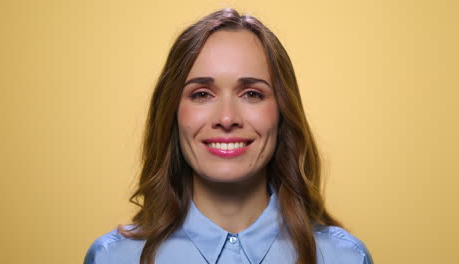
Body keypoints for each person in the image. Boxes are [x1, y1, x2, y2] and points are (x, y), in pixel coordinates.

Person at [84, 8, 373, 264]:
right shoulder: (112, 258)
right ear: (172, 113)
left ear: (282, 112)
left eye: (251, 93)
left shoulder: (345, 257)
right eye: (201, 94)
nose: (226, 118)